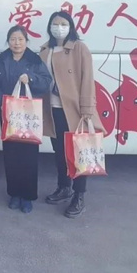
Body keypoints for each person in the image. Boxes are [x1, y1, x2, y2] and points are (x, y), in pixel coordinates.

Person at [40, 11, 105, 219]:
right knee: (59, 152)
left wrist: (87, 109)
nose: (58, 27)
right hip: (52, 108)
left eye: (63, 24)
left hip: (74, 110)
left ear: (70, 27)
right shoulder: (45, 49)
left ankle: (79, 195)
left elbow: (87, 80)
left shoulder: (79, 48)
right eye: (55, 23)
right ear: (49, 27)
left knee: (78, 153)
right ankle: (64, 187)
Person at [0, 25, 52, 214]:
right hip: (8, 114)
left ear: (26, 41)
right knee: (11, 155)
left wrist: (30, 78)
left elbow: (46, 82)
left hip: (28, 117)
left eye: (20, 39)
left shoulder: (34, 60)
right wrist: (1, 102)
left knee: (29, 157)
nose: (16, 43)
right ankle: (14, 194)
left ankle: (28, 196)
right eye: (13, 39)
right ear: (8, 41)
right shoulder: (1, 60)